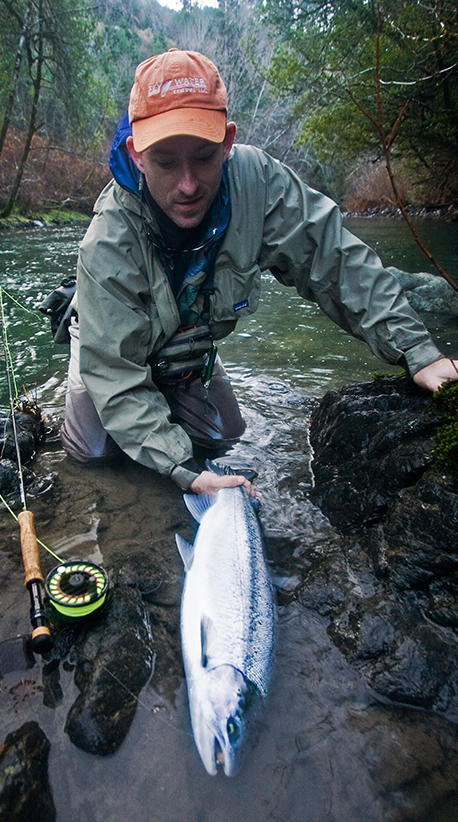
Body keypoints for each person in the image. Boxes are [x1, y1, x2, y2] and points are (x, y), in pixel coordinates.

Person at [60, 48, 457, 496]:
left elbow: (335, 261)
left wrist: (417, 351)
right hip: (110, 342)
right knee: (95, 454)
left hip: (189, 342)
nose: (188, 184)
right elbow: (114, 370)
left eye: (205, 157)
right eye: (167, 162)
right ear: (137, 154)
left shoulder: (259, 183)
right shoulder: (109, 236)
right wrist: (183, 470)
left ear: (228, 142)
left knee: (223, 438)